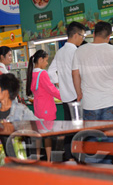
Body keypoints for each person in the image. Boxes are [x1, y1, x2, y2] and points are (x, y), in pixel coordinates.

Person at [72, 21, 113, 121]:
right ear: (109, 37)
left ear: (94, 34)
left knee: (91, 135)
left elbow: (75, 74)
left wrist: (79, 93)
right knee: (109, 135)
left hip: (89, 103)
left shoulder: (79, 51)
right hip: (110, 102)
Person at [46, 21, 86, 160]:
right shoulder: (76, 51)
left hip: (65, 97)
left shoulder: (60, 52)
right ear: (75, 35)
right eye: (82, 35)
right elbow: (81, 73)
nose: (82, 38)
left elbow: (50, 71)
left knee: (69, 128)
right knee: (79, 128)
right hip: (78, 96)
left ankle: (69, 156)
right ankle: (79, 156)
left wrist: (60, 83)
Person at [26, 49, 61, 162]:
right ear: (40, 60)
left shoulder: (32, 73)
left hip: (38, 108)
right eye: (46, 61)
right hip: (47, 108)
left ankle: (36, 158)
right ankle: (49, 159)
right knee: (48, 136)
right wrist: (65, 96)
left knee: (38, 135)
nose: (46, 64)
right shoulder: (42, 73)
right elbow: (52, 90)